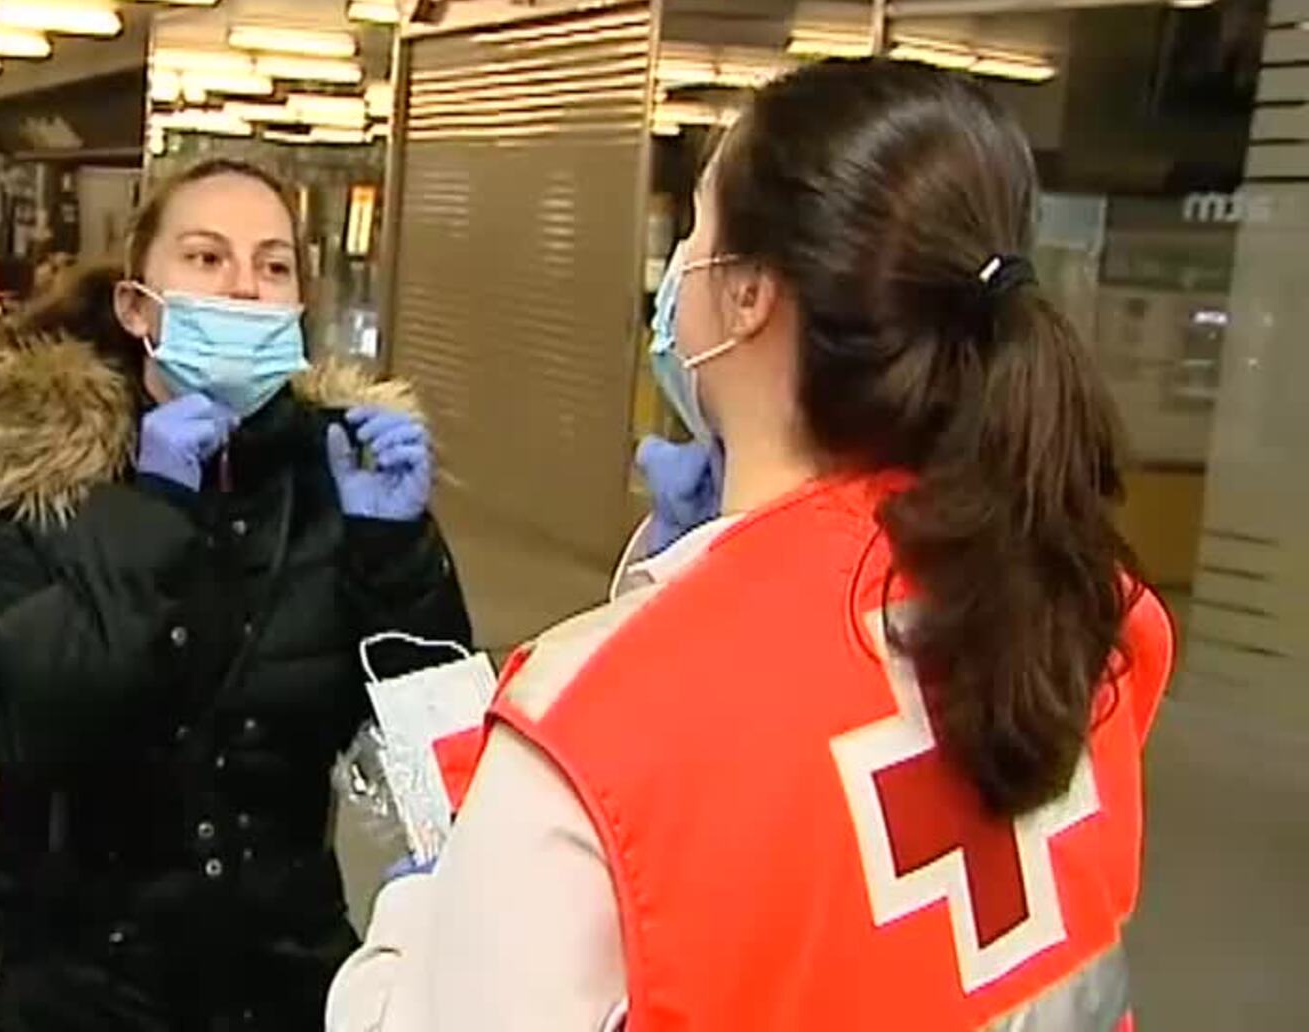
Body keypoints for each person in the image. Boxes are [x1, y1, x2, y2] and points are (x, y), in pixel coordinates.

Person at [327, 59, 1174, 1031]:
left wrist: (420, 918)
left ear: (748, 297)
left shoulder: (600, 721)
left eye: (696, 226)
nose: (681, 262)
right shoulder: (1083, 604)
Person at [0, 158, 472, 1031]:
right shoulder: (21, 483)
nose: (244, 290)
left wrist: (398, 554)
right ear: (138, 307)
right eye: (206, 258)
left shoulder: (338, 479)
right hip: (60, 986)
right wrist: (153, 511)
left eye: (273, 266)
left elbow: (440, 757)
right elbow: (2, 713)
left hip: (279, 989)